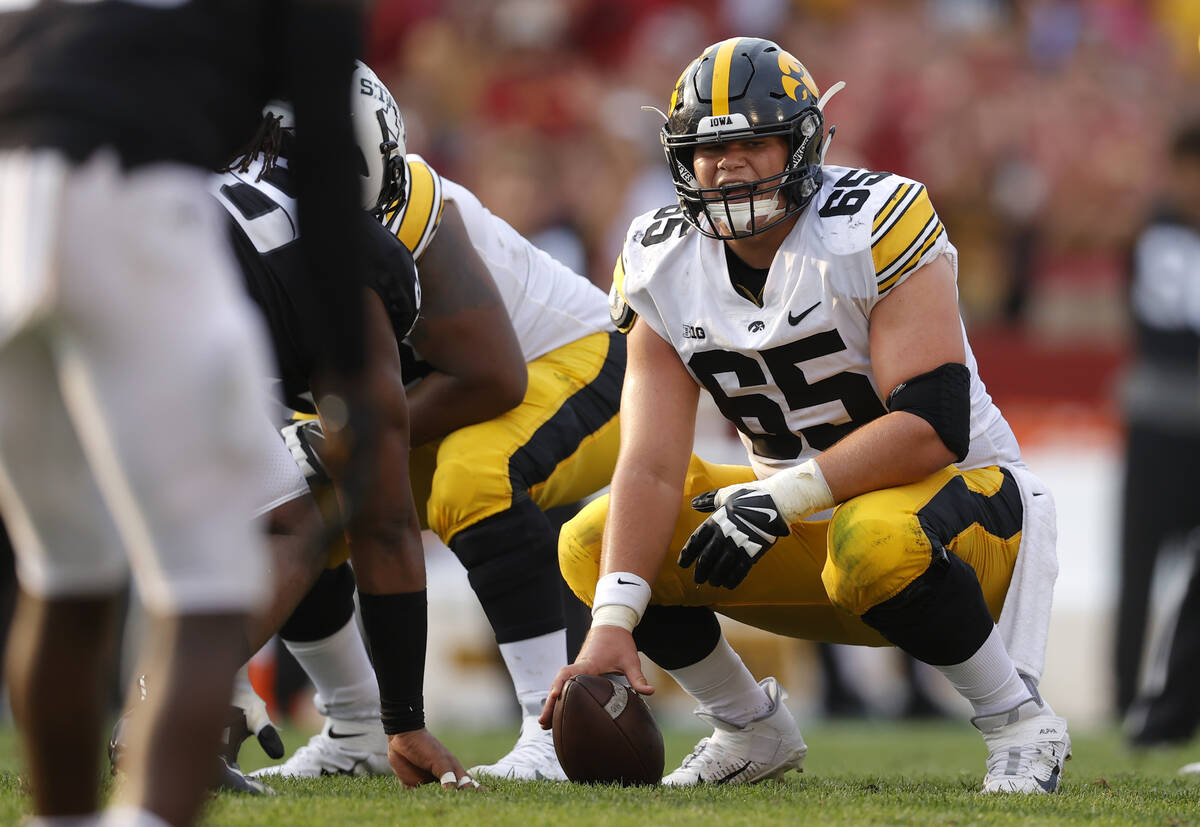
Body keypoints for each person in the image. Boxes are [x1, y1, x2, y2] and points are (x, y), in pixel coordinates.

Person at [541, 37, 1069, 795]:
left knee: (872, 538)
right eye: (709, 148)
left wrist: (779, 495)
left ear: (804, 143)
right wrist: (611, 624)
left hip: (966, 516)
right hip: (804, 524)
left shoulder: (872, 221)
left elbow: (932, 425)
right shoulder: (660, 259)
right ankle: (747, 725)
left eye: (753, 140)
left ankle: (1021, 721)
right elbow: (651, 463)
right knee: (595, 544)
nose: (728, 165)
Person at [0, 0, 374, 824]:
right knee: (206, 586)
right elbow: (323, 172)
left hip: (7, 198)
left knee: (62, 574)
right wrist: (353, 379)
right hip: (135, 201)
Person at [251, 142, 623, 782]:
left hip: (574, 359)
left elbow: (492, 377)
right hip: (455, 397)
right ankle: (356, 725)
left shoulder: (408, 204)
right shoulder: (243, 237)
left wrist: (338, 441)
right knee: (295, 503)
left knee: (471, 479)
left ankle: (551, 724)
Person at [202, 62, 476, 790]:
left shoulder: (198, 174)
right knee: (295, 521)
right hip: (149, 340)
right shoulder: (348, 254)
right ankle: (171, 716)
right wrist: (406, 719)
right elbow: (381, 517)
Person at [1115, 120, 1200, 755]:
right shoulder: (1156, 231)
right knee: (1138, 569)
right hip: (1159, 421)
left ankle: (1156, 704)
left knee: (1146, 570)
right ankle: (1129, 702)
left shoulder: (1147, 229)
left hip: (1160, 416)